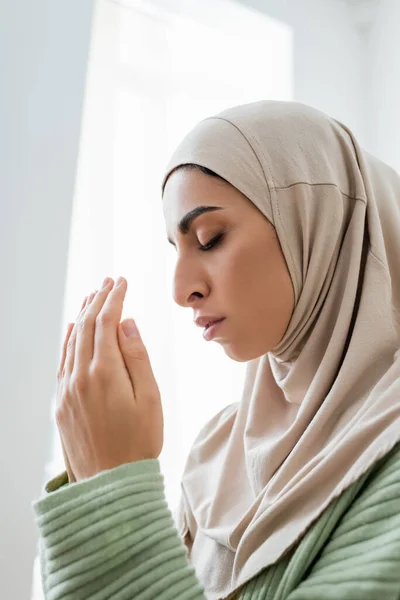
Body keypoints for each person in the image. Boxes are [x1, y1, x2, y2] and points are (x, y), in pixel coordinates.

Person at [33, 101, 400, 600]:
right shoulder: (220, 452)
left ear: (318, 225)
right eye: (175, 248)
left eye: (210, 239)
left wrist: (112, 488)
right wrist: (88, 472)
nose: (182, 289)